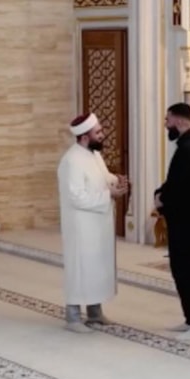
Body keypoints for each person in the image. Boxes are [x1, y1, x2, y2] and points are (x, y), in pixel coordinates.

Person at [57, 112, 129, 333]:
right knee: (80, 270)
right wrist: (110, 195)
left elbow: (102, 177)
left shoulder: (94, 154)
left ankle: (95, 314)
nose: (102, 134)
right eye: (98, 132)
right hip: (81, 229)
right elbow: (76, 197)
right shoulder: (71, 161)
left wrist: (116, 180)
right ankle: (73, 318)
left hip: (97, 225)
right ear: (85, 137)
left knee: (95, 269)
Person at [154, 102, 190, 341]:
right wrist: (161, 193)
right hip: (184, 217)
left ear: (179, 121)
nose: (166, 124)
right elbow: (175, 182)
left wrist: (161, 199)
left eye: (167, 120)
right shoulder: (188, 146)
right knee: (181, 269)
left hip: (189, 219)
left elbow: (181, 188)